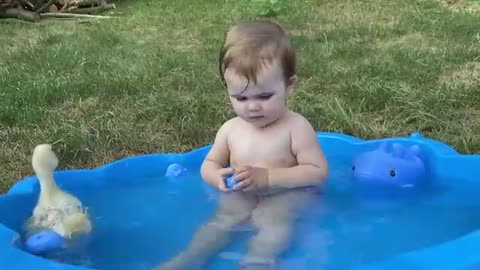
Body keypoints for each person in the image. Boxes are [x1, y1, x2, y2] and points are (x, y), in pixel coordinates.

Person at [155, 19, 329, 270]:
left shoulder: (296, 128)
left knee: (271, 220)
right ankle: (189, 259)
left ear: (289, 86)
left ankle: (257, 263)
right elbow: (211, 162)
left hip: (289, 194)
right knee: (221, 221)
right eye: (241, 97)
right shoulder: (230, 129)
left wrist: (269, 178)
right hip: (241, 192)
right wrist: (214, 175)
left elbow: (317, 172)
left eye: (264, 96)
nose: (252, 106)